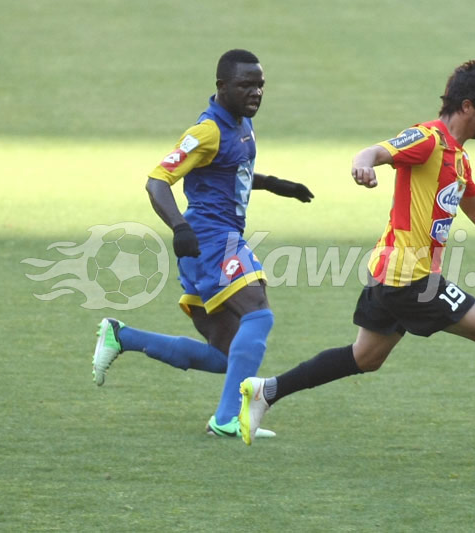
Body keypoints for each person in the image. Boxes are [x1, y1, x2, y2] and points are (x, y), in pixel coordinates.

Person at [238, 59, 475, 445]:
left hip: (389, 274)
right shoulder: (427, 140)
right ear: (467, 106)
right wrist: (363, 166)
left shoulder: (458, 159)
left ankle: (267, 391)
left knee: (365, 357)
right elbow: (374, 152)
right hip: (410, 279)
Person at [92, 49, 314, 439]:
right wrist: (179, 227)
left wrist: (275, 184)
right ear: (222, 86)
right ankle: (227, 420)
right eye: (246, 85)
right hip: (211, 240)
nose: (256, 93)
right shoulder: (206, 131)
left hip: (214, 242)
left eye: (260, 85)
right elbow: (157, 181)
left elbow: (231, 169)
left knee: (225, 355)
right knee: (258, 314)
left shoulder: (241, 122)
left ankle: (122, 336)